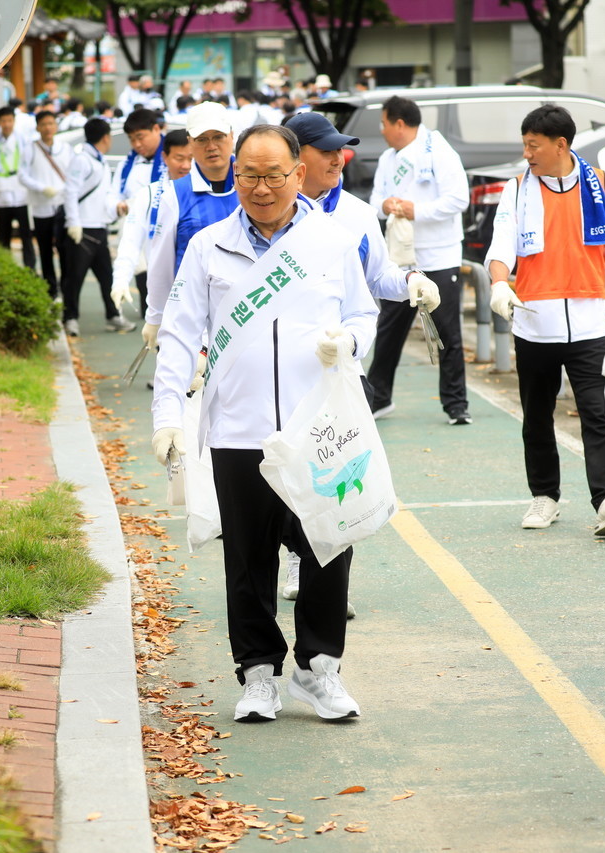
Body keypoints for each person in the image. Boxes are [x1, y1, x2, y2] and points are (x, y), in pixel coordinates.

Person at [150, 124, 378, 722]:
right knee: (248, 560)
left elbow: (364, 313)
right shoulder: (209, 246)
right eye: (248, 175)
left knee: (327, 549)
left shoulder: (331, 241)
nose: (260, 187)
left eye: (274, 175)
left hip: (317, 429)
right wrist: (168, 414)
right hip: (237, 429)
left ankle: (319, 669)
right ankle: (257, 675)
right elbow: (178, 334)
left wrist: (348, 341)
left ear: (299, 175)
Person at [279, 110, 439, 606]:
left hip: (342, 372)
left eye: (340, 149)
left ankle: (329, 576)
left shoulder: (354, 212)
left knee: (341, 475)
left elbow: (376, 279)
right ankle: (294, 556)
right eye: (326, 150)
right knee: (288, 473)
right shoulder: (265, 213)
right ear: (295, 160)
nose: (338, 158)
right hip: (283, 374)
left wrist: (411, 282)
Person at [484, 105, 605, 537]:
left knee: (598, 413)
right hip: (534, 323)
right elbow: (501, 246)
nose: (527, 154)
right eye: (525, 145)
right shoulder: (518, 190)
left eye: (533, 146)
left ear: (561, 145)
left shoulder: (601, 185)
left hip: (590, 322)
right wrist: (500, 283)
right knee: (537, 416)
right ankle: (545, 497)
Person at [366, 95, 472, 424]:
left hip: (437, 255)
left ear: (399, 123)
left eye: (384, 123)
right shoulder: (387, 158)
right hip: (400, 259)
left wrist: (417, 211)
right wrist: (386, 206)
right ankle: (378, 398)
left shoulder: (439, 151)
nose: (381, 130)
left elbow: (459, 199)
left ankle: (456, 405)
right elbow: (374, 200)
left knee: (447, 334)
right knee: (388, 330)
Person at [142, 102, 240, 350]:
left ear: (232, 135)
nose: (211, 146)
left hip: (249, 317)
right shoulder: (175, 194)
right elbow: (161, 264)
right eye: (201, 139)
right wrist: (155, 317)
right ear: (189, 142)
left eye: (218, 136)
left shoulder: (253, 183)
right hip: (193, 323)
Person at [61, 118, 134, 336]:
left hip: (98, 227)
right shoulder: (82, 160)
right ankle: (70, 318)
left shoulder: (98, 161)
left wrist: (114, 210)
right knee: (74, 278)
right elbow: (70, 192)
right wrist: (74, 223)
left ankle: (113, 315)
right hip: (82, 229)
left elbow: (103, 196)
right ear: (105, 137)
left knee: (106, 277)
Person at [110, 129, 193, 319]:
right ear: (165, 157)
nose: (186, 165)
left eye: (192, 158)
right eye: (179, 158)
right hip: (163, 293)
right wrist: (121, 280)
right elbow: (130, 241)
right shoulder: (149, 195)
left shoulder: (209, 193)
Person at [20, 109, 71, 300]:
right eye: (44, 124)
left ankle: (67, 290)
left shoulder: (65, 148)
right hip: (41, 208)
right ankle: (51, 291)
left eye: (51, 123)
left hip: (62, 206)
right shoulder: (30, 149)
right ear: (38, 127)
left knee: (65, 251)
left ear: (56, 126)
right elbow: (22, 175)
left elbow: (73, 175)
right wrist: (42, 188)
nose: (48, 128)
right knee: (45, 251)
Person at [0, 106, 36, 269]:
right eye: (4, 121)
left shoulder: (24, 141)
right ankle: (6, 269)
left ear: (14, 121)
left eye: (10, 120)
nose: (7, 124)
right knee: (3, 238)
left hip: (21, 192)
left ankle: (30, 269)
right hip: (1, 193)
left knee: (26, 236)